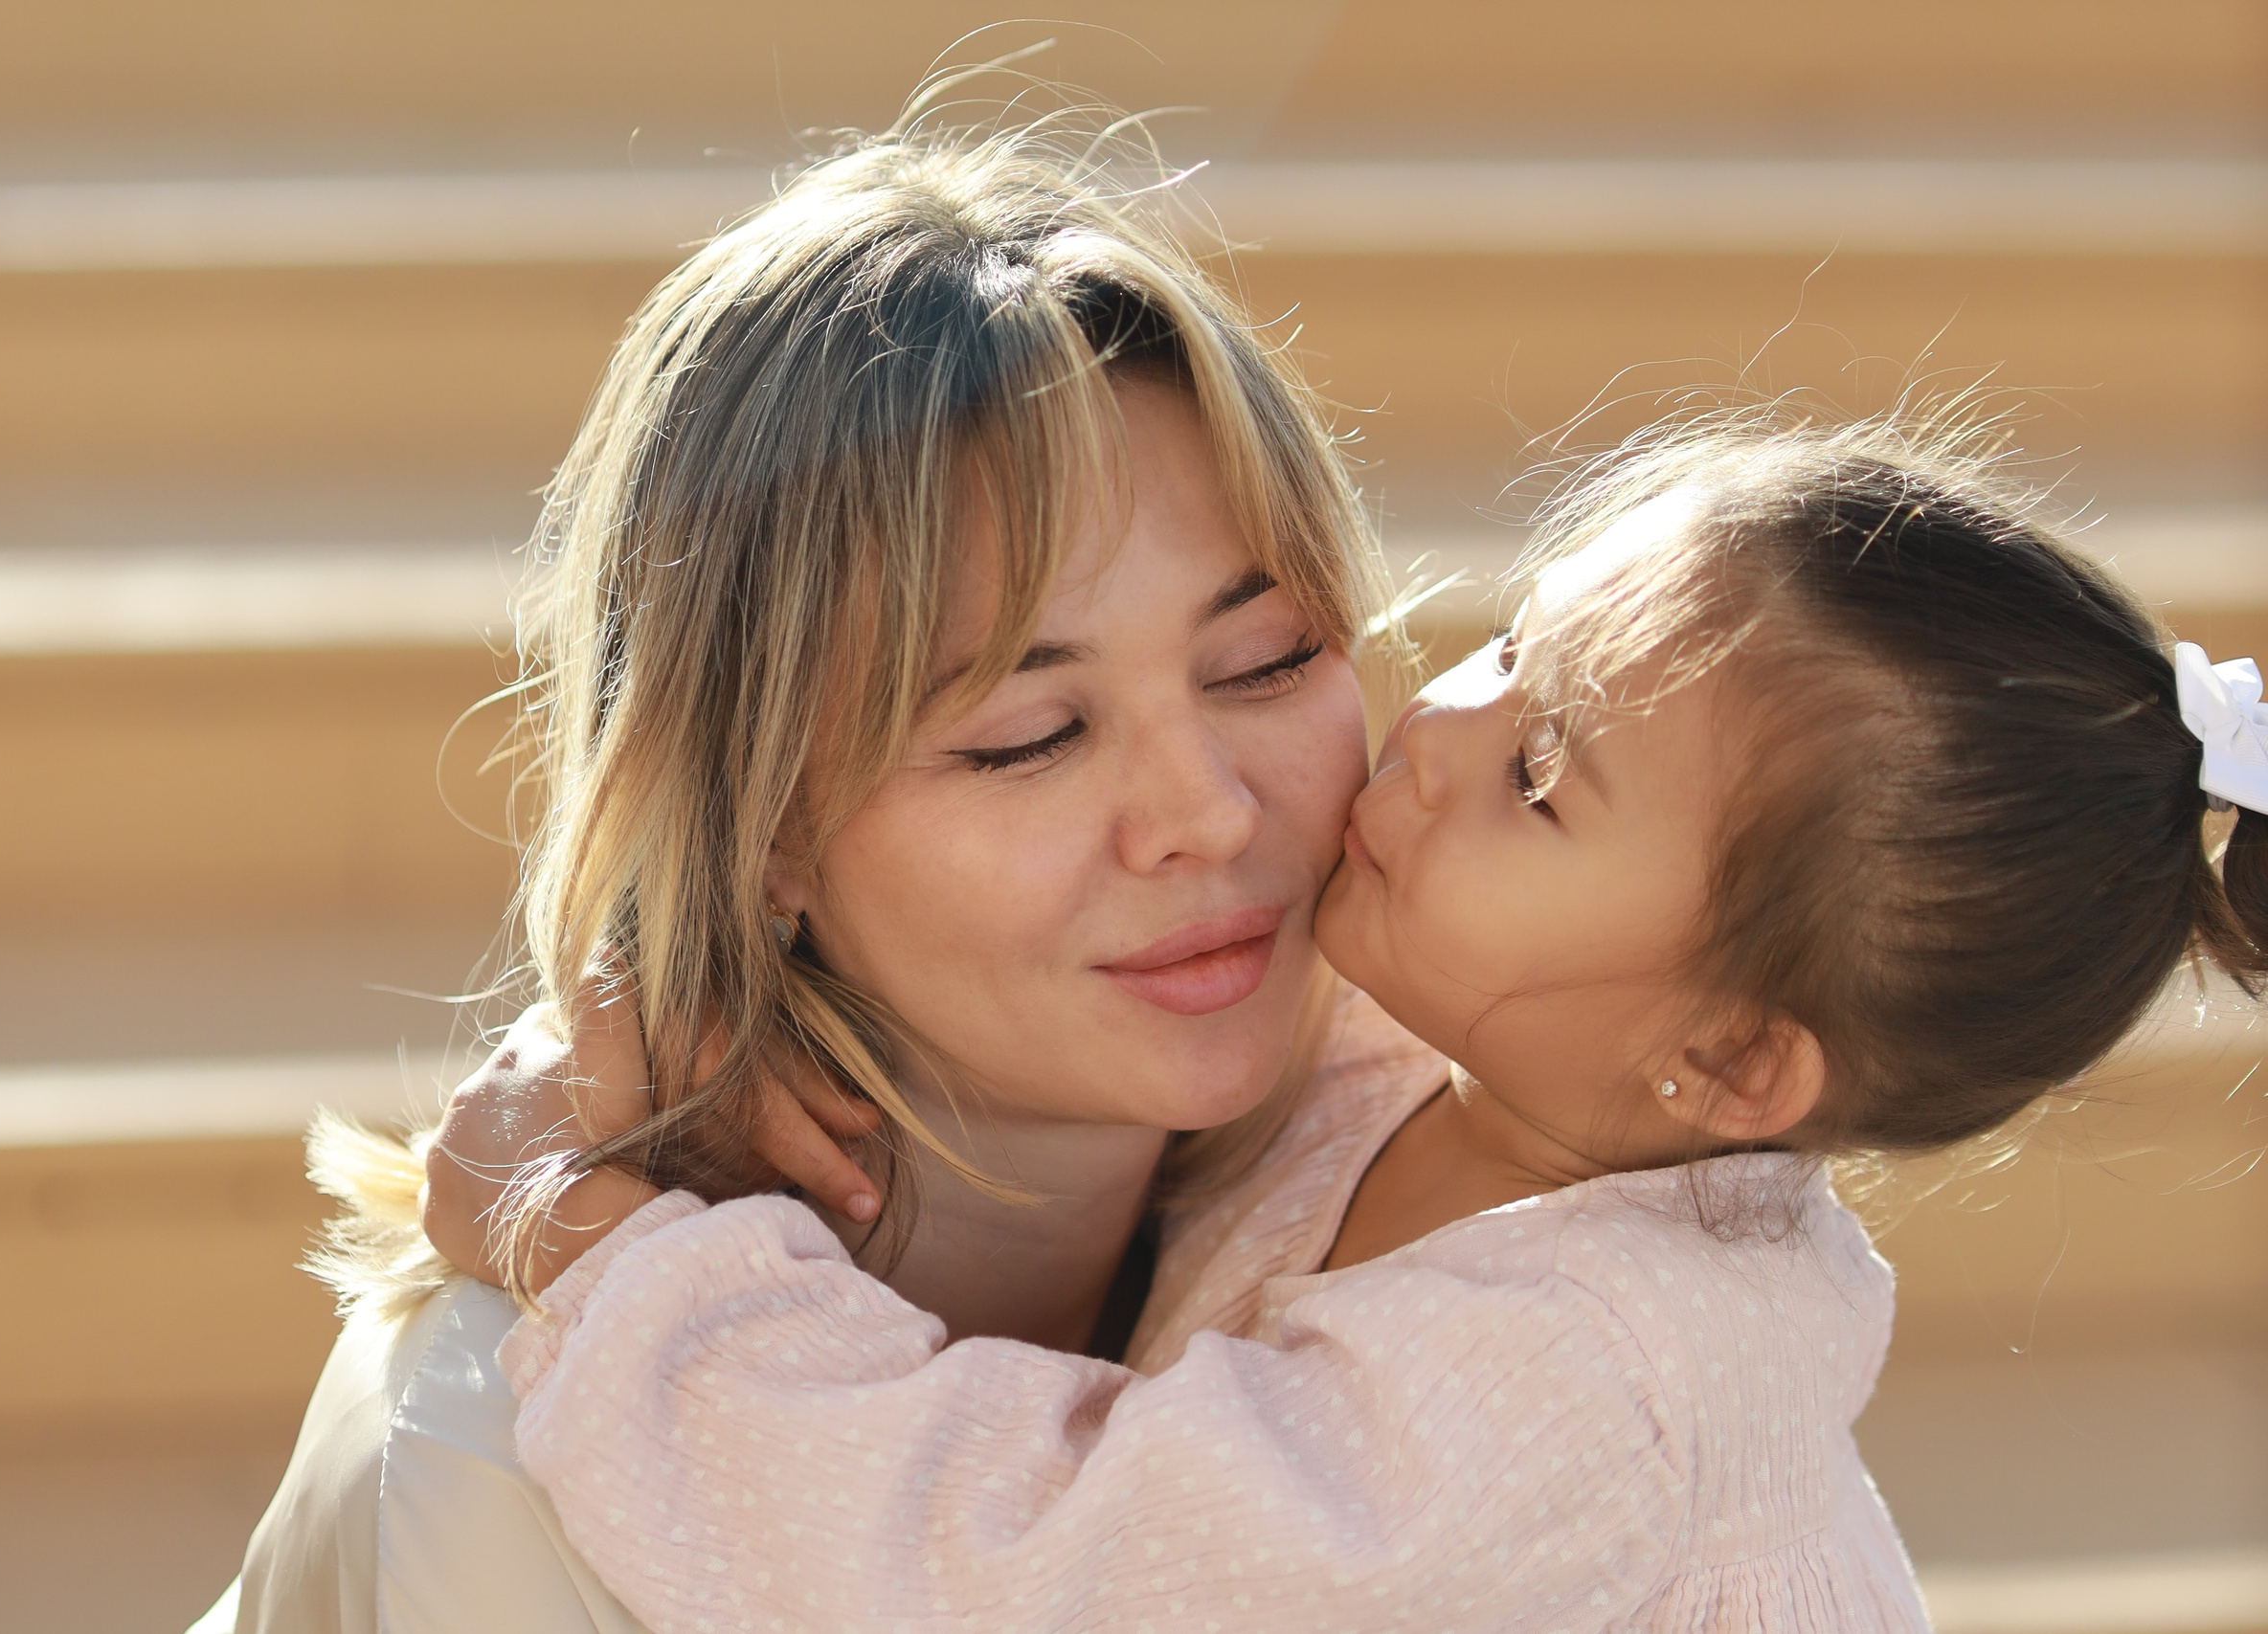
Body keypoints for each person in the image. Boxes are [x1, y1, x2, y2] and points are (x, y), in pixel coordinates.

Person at [452, 409, 2268, 1629]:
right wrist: (700, 1031)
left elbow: (1003, 1576)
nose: (1435, 733)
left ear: (1724, 1063)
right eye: (1504, 653)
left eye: (1545, 774)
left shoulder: (1601, 1372)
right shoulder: (1422, 1074)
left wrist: (598, 1248)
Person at [203, 96, 1407, 1634]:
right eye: (1032, 735)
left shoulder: (1466, 1245)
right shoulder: (509, 1453)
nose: (1211, 812)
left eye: (1268, 658)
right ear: (759, 826)